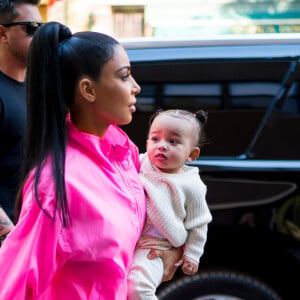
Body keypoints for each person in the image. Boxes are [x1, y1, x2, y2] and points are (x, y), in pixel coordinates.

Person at [0, 21, 182, 299]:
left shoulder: (124, 152)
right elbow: (14, 286)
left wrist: (166, 251)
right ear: (88, 90)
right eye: (124, 76)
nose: (136, 87)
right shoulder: (57, 184)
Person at [128, 109, 213, 300]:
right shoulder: (141, 162)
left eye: (173, 141)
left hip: (156, 247)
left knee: (137, 288)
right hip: (130, 240)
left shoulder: (192, 185)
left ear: (192, 154)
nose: (162, 146)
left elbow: (199, 224)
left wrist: (192, 254)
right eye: (155, 139)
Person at [0, 0, 42, 234]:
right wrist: (9, 237)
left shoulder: (38, 87)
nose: (39, 36)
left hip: (36, 236)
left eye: (41, 28)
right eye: (30, 28)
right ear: (2, 33)